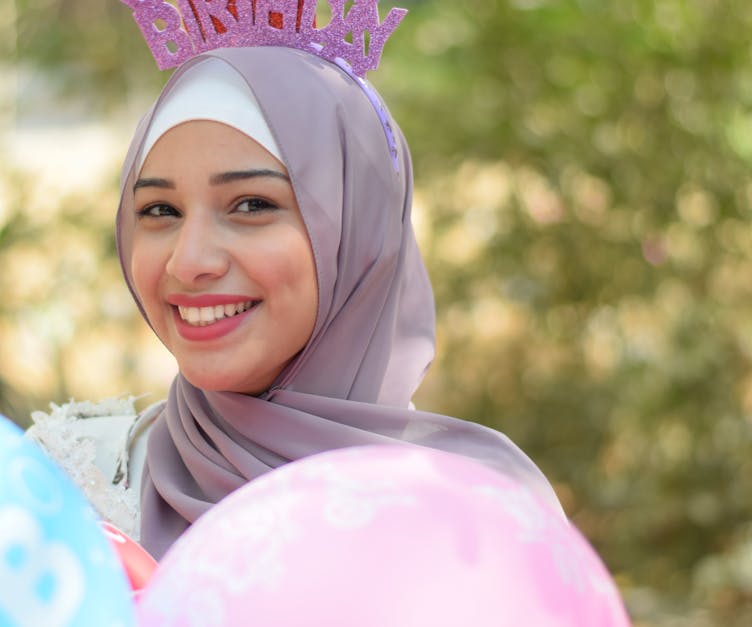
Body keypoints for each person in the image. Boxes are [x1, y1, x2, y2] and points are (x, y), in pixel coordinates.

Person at [31, 9, 562, 561]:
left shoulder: (480, 520)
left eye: (252, 205)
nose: (189, 263)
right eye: (160, 209)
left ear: (359, 232)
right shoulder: (63, 486)